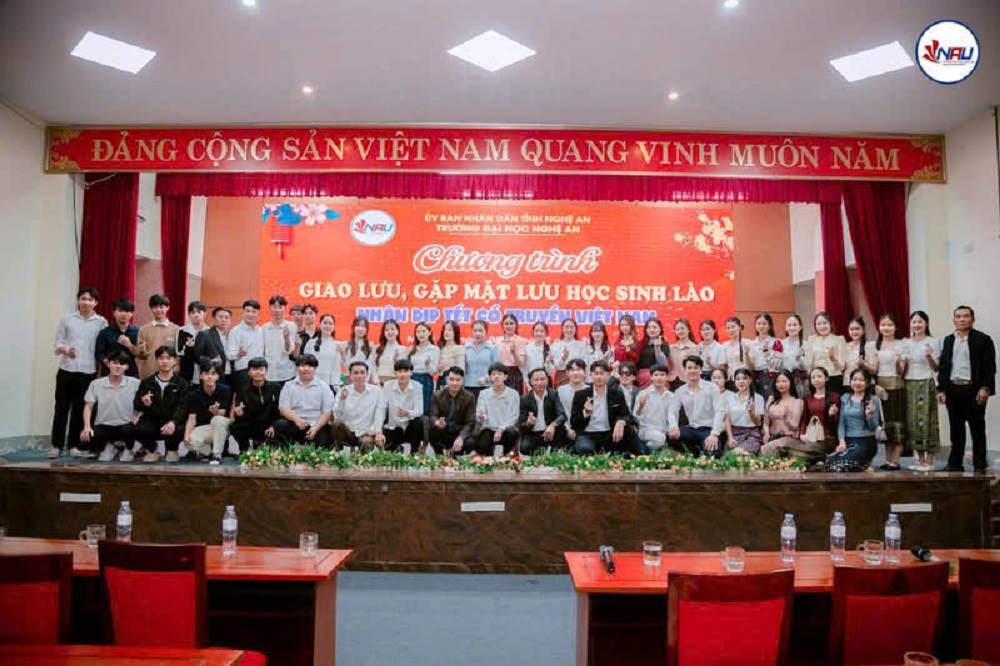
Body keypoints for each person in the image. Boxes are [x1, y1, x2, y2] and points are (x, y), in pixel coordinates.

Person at [50, 286, 108, 459]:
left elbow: (102, 347)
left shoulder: (101, 322)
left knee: (79, 410)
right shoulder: (67, 319)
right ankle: (56, 446)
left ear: (96, 303)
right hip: (66, 369)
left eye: (90, 300)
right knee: (61, 409)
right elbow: (57, 343)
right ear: (78, 300)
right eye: (83, 299)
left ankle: (74, 445)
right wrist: (66, 350)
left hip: (88, 371)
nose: (86, 302)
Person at [938, 305, 997, 473]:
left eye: (965, 316)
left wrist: (985, 388)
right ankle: (955, 463)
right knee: (956, 429)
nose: (962, 319)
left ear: (973, 319)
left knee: (977, 429)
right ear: (954, 320)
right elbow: (944, 366)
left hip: (974, 390)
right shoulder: (949, 340)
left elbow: (990, 367)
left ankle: (979, 464)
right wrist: (941, 389)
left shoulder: (983, 340)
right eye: (958, 316)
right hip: (953, 389)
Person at [571, 360, 642, 455]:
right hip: (588, 433)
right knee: (585, 448)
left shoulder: (616, 394)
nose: (599, 377)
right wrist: (586, 412)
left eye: (602, 373)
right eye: (596, 373)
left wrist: (621, 422)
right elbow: (574, 422)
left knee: (628, 431)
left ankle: (641, 455)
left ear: (608, 375)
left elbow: (627, 415)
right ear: (591, 375)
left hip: (609, 432)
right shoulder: (581, 395)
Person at [81, 350, 140, 462]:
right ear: (108, 364)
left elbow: (144, 404)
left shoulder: (135, 383)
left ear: (127, 367)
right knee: (90, 435)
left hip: (126, 425)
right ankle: (111, 446)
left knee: (131, 430)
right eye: (115, 363)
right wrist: (86, 427)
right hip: (104, 425)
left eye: (122, 364)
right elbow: (88, 406)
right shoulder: (96, 384)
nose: (118, 366)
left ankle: (128, 449)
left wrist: (137, 417)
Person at [133, 346, 189, 463]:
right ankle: (152, 450)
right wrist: (143, 402)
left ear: (175, 361)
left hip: (172, 419)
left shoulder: (182, 383)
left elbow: (183, 407)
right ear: (157, 360)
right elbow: (136, 405)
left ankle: (172, 450)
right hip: (152, 420)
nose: (165, 361)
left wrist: (173, 422)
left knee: (180, 428)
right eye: (161, 358)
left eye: (168, 358)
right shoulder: (147, 382)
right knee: (135, 428)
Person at [903, 311, 942, 472]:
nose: (917, 324)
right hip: (909, 383)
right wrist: (901, 361)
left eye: (920, 321)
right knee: (913, 422)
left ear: (926, 323)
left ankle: (930, 459)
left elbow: (937, 368)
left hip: (926, 381)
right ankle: (920, 459)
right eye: (914, 322)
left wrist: (929, 356)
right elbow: (902, 368)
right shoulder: (905, 342)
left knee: (928, 420)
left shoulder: (934, 341)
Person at [868, 314, 907, 471]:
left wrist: (897, 362)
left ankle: (895, 461)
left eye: (890, 325)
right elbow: (874, 370)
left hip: (896, 387)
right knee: (885, 424)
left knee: (897, 424)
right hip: (881, 388)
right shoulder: (875, 345)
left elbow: (902, 371)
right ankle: (887, 459)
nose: (886, 328)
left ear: (895, 327)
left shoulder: (901, 344)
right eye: (883, 325)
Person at [668, 356, 726, 458]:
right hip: (692, 429)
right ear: (685, 370)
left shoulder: (712, 388)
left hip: (709, 429)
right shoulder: (680, 391)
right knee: (670, 436)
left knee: (713, 453)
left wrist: (714, 434)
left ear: (701, 369)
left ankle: (704, 450)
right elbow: (672, 411)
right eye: (689, 368)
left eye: (695, 367)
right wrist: (673, 426)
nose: (692, 370)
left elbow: (719, 411)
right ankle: (694, 452)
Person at [275, 354, 334, 448]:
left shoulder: (324, 387)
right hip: (295, 423)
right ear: (296, 368)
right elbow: (283, 409)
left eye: (310, 366)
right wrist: (296, 420)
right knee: (280, 424)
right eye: (302, 366)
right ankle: (284, 454)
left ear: (315, 368)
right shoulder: (288, 386)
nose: (306, 369)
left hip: (316, 425)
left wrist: (315, 428)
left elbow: (327, 413)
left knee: (325, 439)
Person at [828, 368, 880, 472]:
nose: (857, 383)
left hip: (865, 441)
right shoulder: (845, 398)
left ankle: (864, 464)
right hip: (848, 440)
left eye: (861, 380)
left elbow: (874, 427)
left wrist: (869, 416)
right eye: (854, 379)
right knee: (830, 463)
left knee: (842, 465)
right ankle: (863, 465)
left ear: (867, 383)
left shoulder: (873, 399)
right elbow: (841, 423)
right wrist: (841, 441)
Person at [182, 360, 232, 464]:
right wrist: (186, 437)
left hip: (224, 427)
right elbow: (192, 419)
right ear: (201, 376)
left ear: (217, 376)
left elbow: (223, 413)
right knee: (190, 441)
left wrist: (216, 412)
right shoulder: (194, 394)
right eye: (206, 373)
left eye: (213, 374)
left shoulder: (225, 390)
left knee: (217, 419)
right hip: (207, 428)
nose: (209, 377)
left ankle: (217, 455)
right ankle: (207, 452)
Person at [789, 367, 840, 468]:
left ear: (826, 378)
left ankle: (821, 458)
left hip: (827, 437)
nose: (816, 379)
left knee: (800, 453)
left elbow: (837, 423)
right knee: (796, 450)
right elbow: (805, 419)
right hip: (811, 436)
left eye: (819, 376)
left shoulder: (834, 397)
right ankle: (820, 459)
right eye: (813, 377)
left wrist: (832, 415)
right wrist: (802, 434)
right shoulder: (808, 398)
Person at [229, 356, 281, 454]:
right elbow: (240, 413)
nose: (258, 372)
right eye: (254, 369)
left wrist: (273, 425)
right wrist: (239, 414)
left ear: (266, 371)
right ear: (249, 372)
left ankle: (270, 447)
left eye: (261, 369)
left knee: (281, 425)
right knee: (235, 426)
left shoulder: (275, 388)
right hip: (253, 423)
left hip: (270, 424)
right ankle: (246, 450)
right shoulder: (243, 389)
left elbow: (280, 409)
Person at [374, 359, 424, 451]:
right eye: (400, 371)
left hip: (410, 426)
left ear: (411, 373)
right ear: (395, 373)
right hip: (393, 426)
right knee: (386, 449)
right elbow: (381, 409)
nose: (403, 374)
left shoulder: (417, 386)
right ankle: (398, 447)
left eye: (406, 371)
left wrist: (407, 413)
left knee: (418, 423)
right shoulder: (387, 386)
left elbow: (419, 410)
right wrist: (378, 431)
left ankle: (414, 452)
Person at [473, 362, 521, 455]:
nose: (496, 376)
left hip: (506, 429)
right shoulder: (484, 394)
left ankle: (507, 456)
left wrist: (501, 429)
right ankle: (489, 459)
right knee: (482, 444)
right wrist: (481, 417)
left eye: (499, 374)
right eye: (493, 374)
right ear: (490, 377)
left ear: (505, 377)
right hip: (489, 428)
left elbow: (514, 416)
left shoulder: (513, 394)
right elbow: (480, 413)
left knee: (511, 432)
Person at [332, 361, 381, 448]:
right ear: (350, 375)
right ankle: (339, 450)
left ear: (367, 374)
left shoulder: (376, 391)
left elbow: (380, 413)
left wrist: (374, 430)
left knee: (366, 443)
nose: (359, 376)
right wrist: (342, 400)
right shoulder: (343, 391)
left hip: (366, 432)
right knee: (337, 423)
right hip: (348, 431)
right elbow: (337, 416)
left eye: (362, 372)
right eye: (356, 373)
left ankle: (363, 455)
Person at [429, 366, 477, 455]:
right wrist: (437, 422)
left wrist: (461, 438)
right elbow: (433, 416)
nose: (454, 383)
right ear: (446, 380)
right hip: (444, 430)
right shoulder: (437, 395)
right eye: (451, 379)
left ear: (462, 380)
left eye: (458, 380)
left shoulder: (469, 397)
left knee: (471, 442)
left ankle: (455, 454)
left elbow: (470, 422)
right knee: (433, 431)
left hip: (459, 431)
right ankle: (440, 456)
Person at [518, 367, 567, 454]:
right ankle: (542, 449)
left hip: (549, 432)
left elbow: (562, 415)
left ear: (547, 380)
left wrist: (552, 425)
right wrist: (528, 423)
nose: (540, 383)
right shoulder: (524, 399)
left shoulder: (553, 394)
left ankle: (552, 449)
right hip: (533, 433)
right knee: (524, 448)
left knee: (561, 427)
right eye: (536, 380)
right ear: (531, 382)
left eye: (542, 379)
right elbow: (521, 425)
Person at [760, 370, 805, 459]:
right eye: (778, 382)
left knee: (769, 449)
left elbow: (795, 427)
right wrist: (766, 433)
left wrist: (787, 420)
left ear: (791, 383)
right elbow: (765, 423)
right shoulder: (771, 401)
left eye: (784, 381)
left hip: (789, 438)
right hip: (772, 437)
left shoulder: (797, 402)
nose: (780, 384)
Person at [723, 368, 766, 455]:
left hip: (751, 435)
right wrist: (730, 438)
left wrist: (751, 411)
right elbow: (727, 420)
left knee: (737, 454)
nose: (741, 381)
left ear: (750, 380)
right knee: (726, 457)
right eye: (738, 379)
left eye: (744, 378)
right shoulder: (730, 398)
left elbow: (758, 422)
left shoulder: (758, 398)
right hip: (735, 434)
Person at [137, 294, 180, 380]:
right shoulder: (143, 330)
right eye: (155, 307)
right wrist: (141, 351)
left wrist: (176, 370)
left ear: (167, 307)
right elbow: (141, 356)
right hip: (149, 374)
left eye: (161, 307)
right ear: (151, 309)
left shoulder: (177, 329)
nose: (158, 310)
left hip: (170, 375)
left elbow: (178, 354)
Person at [94, 298, 139, 378]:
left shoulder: (137, 332)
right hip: (109, 374)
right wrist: (108, 364)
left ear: (132, 313)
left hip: (131, 374)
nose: (123, 314)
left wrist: (129, 345)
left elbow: (141, 355)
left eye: (127, 311)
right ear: (114, 313)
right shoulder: (104, 332)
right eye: (120, 311)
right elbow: (99, 354)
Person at [634, 364, 674, 452]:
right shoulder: (643, 394)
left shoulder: (671, 396)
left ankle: (646, 450)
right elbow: (636, 418)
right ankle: (646, 450)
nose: (659, 378)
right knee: (659, 439)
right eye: (656, 375)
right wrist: (641, 406)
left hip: (664, 431)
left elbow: (672, 417)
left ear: (667, 377)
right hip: (647, 430)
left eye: (662, 375)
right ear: (651, 377)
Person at [227, 300, 265, 389]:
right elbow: (230, 355)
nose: (250, 314)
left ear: (258, 314)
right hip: (243, 372)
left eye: (254, 312)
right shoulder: (235, 331)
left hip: (260, 372)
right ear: (243, 313)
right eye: (247, 311)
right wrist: (238, 353)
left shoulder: (261, 331)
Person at [807, 312, 846, 394]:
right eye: (818, 324)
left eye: (825, 323)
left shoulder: (839, 339)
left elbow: (841, 367)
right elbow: (809, 364)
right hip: (817, 379)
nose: (822, 327)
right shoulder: (811, 339)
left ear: (830, 324)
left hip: (834, 378)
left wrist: (833, 359)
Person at [262, 295, 297, 384]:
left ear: (285, 308)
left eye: (280, 307)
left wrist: (286, 338)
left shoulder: (291, 326)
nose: (277, 310)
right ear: (270, 308)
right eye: (274, 307)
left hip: (287, 373)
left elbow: (289, 351)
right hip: (269, 374)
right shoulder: (264, 328)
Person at [193, 307, 232, 388]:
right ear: (214, 318)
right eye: (221, 317)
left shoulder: (233, 335)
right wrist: (211, 361)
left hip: (231, 375)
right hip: (212, 375)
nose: (224, 320)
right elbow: (197, 357)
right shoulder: (205, 334)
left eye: (227, 317)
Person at [304, 314, 344, 391]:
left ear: (334, 326)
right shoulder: (311, 343)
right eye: (325, 323)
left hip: (330, 385)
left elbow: (337, 368)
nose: (327, 326)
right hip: (312, 384)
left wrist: (335, 384)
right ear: (320, 324)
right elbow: (305, 364)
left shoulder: (338, 345)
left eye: (330, 323)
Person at [409, 323, 440, 415]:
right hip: (413, 379)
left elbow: (434, 372)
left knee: (425, 408)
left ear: (429, 332)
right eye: (418, 332)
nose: (420, 334)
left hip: (426, 380)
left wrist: (427, 364)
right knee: (412, 407)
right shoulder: (412, 349)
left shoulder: (434, 349)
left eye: (423, 331)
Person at [750, 313, 782, 400]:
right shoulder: (751, 343)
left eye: (764, 323)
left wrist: (767, 353)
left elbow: (777, 364)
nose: (761, 326)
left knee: (770, 401)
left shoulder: (776, 342)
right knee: (757, 401)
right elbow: (751, 364)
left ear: (770, 326)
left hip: (770, 376)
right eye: (758, 323)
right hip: (755, 376)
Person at [557, 358, 588, 447]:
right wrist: (567, 429)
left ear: (585, 372)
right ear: (567, 373)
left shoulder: (589, 390)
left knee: (584, 447)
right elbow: (559, 412)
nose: (575, 373)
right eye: (572, 370)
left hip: (584, 429)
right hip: (564, 427)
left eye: (579, 369)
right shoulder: (561, 390)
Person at [464, 320, 498, 400]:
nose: (477, 334)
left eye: (480, 331)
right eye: (475, 331)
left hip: (486, 387)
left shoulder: (492, 348)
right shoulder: (466, 348)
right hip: (468, 386)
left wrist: (487, 378)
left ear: (486, 332)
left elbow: (496, 370)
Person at [176, 301, 208, 384]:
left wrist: (196, 347)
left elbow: (209, 354)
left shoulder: (209, 332)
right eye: (192, 312)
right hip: (186, 372)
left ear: (205, 314)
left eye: (199, 312)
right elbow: (179, 352)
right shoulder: (182, 331)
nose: (196, 315)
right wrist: (188, 347)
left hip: (204, 373)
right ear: (189, 314)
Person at [551, 318, 588, 388]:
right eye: (566, 327)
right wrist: (563, 359)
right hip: (561, 377)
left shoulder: (582, 345)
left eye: (571, 327)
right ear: (562, 329)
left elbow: (584, 364)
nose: (569, 329)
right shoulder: (555, 346)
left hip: (578, 376)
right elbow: (556, 366)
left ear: (575, 329)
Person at [780, 314, 810, 398]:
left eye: (794, 325)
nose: (792, 328)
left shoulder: (806, 344)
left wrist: (799, 358)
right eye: (789, 325)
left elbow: (808, 366)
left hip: (801, 381)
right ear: (785, 327)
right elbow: (778, 365)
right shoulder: (781, 343)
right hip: (785, 380)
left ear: (800, 327)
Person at [498, 314, 527, 393]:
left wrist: (514, 353)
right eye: (506, 323)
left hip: (514, 373)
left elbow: (520, 363)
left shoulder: (520, 340)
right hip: (500, 372)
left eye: (511, 323)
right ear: (502, 325)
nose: (509, 326)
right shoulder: (498, 341)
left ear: (516, 325)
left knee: (514, 398)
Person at [667, 319, 699, 390]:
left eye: (682, 328)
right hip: (673, 381)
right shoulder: (671, 348)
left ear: (688, 330)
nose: (680, 331)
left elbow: (695, 368)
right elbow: (669, 366)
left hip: (688, 382)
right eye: (677, 329)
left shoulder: (694, 347)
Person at [371, 319, 405, 385]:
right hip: (379, 383)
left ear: (397, 331)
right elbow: (373, 367)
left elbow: (403, 371)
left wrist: (396, 361)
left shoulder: (403, 350)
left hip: (396, 383)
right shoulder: (377, 349)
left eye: (392, 329)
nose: (390, 332)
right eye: (386, 330)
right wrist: (377, 383)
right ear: (384, 333)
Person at [637, 318, 669, 389]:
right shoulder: (641, 343)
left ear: (660, 329)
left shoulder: (664, 344)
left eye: (654, 327)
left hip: (656, 377)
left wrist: (657, 348)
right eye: (649, 328)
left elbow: (661, 363)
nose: (651, 330)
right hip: (641, 378)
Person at [721, 316, 754, 381]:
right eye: (728, 328)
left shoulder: (748, 343)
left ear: (739, 327)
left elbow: (752, 367)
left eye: (733, 327)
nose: (731, 330)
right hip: (731, 379)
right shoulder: (725, 345)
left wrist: (747, 355)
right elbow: (724, 366)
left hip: (744, 378)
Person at [344, 316, 375, 380]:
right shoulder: (346, 345)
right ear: (353, 327)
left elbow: (371, 367)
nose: (360, 329)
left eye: (363, 326)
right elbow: (346, 365)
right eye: (358, 325)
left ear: (366, 330)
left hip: (364, 380)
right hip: (349, 379)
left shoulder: (370, 346)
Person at [523, 322, 554, 387]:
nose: (539, 333)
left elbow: (550, 373)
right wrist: (527, 384)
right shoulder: (527, 348)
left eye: (542, 331)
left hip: (545, 383)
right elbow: (525, 368)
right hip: (531, 383)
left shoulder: (549, 349)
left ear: (546, 333)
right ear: (533, 332)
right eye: (536, 331)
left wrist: (547, 362)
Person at [437, 320, 465, 389]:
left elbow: (461, 369)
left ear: (455, 333)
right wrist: (438, 368)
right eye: (445, 330)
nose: (446, 332)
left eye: (450, 330)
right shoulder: (439, 348)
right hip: (441, 381)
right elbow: (434, 371)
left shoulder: (460, 348)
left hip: (454, 382)